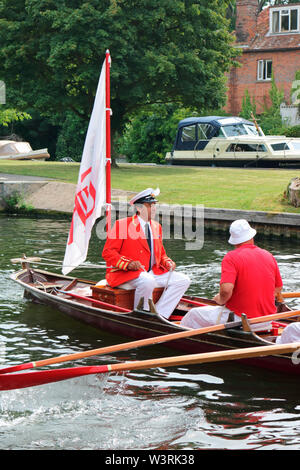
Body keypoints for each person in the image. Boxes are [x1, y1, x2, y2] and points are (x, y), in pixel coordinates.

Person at [180, 219, 283, 332]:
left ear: (234, 240)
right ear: (252, 236)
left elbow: (226, 291)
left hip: (241, 320)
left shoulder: (231, 257)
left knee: (193, 314)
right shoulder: (268, 255)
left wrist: (220, 299)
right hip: (267, 320)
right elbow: (277, 288)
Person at [102, 187, 190, 318]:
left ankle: (161, 315)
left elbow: (161, 254)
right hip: (126, 274)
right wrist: (128, 264)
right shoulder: (122, 225)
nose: (154, 208)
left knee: (183, 280)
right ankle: (141, 316)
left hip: (151, 272)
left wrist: (168, 262)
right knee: (147, 281)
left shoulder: (156, 227)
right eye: (149, 205)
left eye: (154, 204)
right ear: (139, 208)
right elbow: (108, 253)